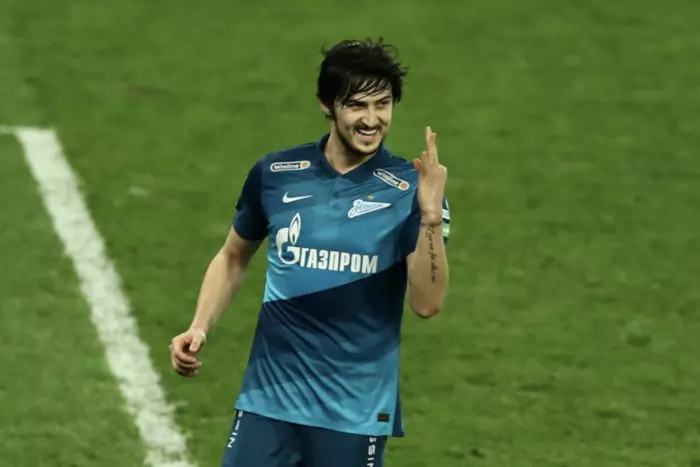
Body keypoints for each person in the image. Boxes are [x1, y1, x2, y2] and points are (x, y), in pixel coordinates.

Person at [169, 38, 450, 467]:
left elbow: (427, 304)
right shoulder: (276, 174)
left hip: (353, 414)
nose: (371, 120)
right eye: (356, 105)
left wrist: (429, 217)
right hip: (268, 401)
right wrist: (199, 325)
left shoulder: (411, 188)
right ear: (326, 105)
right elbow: (233, 256)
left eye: (382, 104)